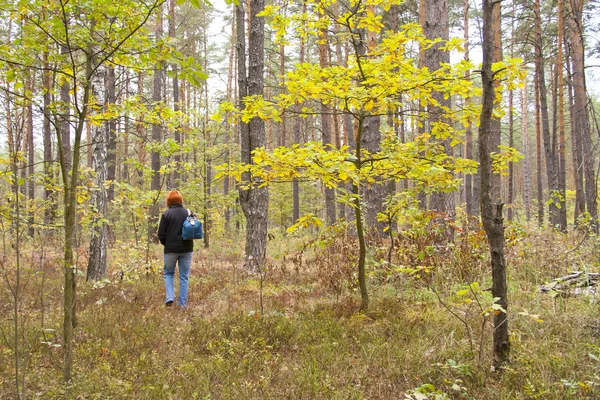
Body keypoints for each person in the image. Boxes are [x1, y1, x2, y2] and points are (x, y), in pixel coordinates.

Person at [157, 190, 193, 308]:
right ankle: (182, 305)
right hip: (187, 249)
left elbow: (161, 234)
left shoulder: (166, 214)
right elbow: (194, 229)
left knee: (168, 273)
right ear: (180, 200)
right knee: (184, 276)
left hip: (170, 249)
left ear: (169, 201)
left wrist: (167, 244)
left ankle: (170, 297)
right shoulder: (189, 212)